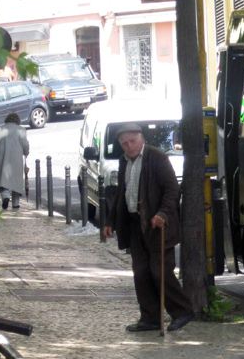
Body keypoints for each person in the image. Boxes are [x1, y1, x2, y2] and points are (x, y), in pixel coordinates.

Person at [103, 123, 194, 332]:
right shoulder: (124, 161)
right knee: (141, 272)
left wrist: (162, 213)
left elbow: (172, 190)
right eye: (124, 144)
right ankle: (150, 318)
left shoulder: (157, 158)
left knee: (160, 271)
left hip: (157, 225)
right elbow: (121, 193)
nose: (129, 146)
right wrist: (110, 221)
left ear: (141, 138)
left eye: (132, 141)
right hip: (136, 224)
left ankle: (182, 311)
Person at [0, 113, 29, 210]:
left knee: (4, 180)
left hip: (3, 158)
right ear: (18, 120)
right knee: (16, 180)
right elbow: (25, 145)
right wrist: (26, 152)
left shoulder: (0, 130)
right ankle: (16, 204)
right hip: (16, 158)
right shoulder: (21, 130)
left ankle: (6, 197)